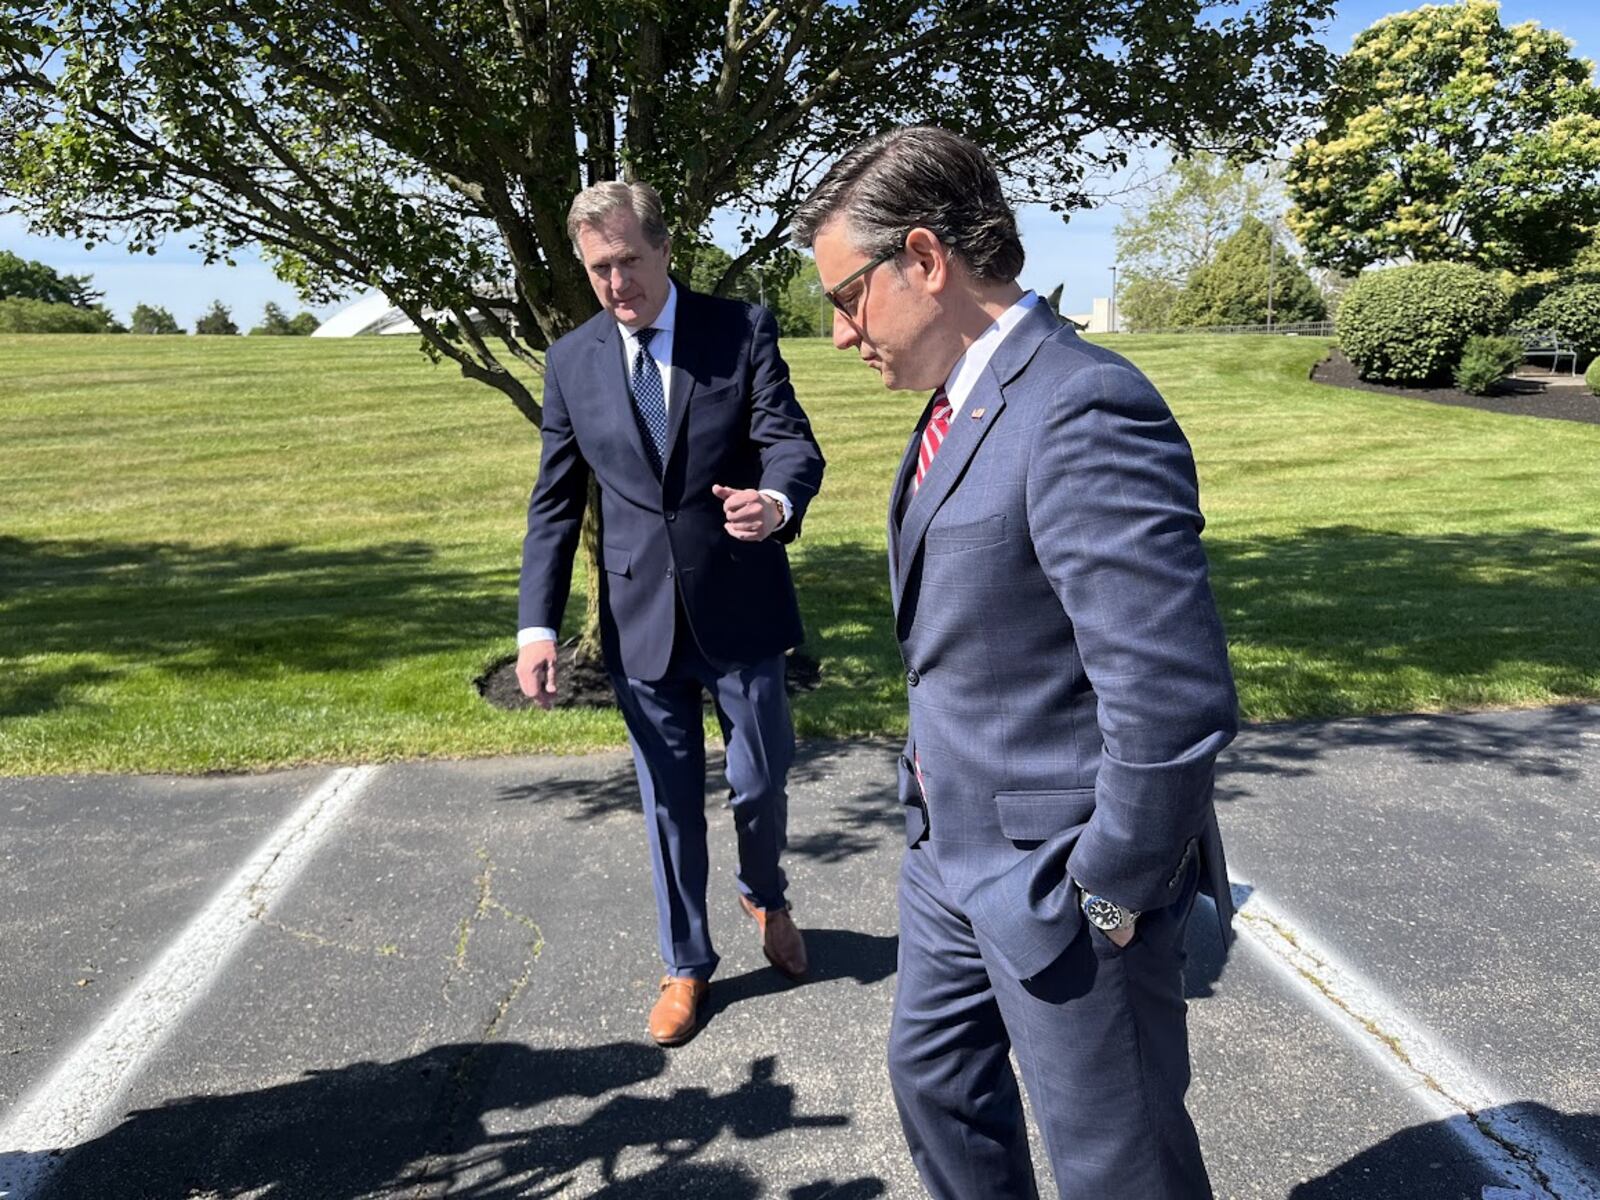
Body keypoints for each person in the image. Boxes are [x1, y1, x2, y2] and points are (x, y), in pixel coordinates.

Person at [792, 127, 1238, 1198]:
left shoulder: (1081, 404)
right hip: (949, 854)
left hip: (1060, 879)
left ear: (925, 258)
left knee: (1114, 1165)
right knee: (937, 1088)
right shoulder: (956, 406)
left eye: (846, 298)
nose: (842, 334)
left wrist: (1108, 897)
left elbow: (1169, 700)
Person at [517, 180, 825, 1046]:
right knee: (668, 801)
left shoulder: (741, 330)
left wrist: (774, 500)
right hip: (638, 614)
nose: (617, 285)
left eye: (628, 263)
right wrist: (536, 628)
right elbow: (554, 502)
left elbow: (791, 440)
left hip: (741, 600)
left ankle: (765, 896)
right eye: (598, 270)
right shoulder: (572, 360)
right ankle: (686, 962)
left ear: (663, 249)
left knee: (762, 779)